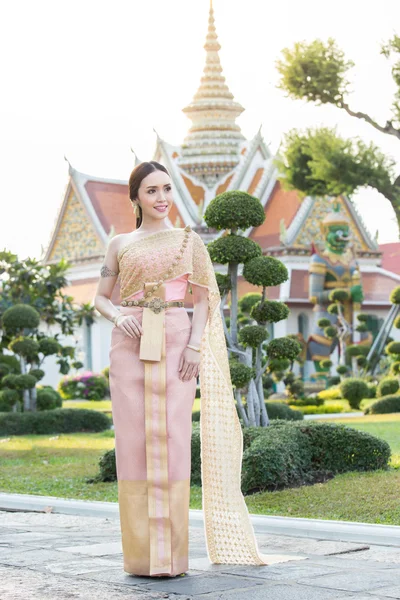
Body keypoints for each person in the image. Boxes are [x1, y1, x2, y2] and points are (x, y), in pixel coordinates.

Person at [94, 161, 303, 577]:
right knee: (132, 445)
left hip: (175, 338)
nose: (162, 199)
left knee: (172, 441)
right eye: (152, 191)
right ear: (135, 196)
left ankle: (171, 559)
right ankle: (140, 558)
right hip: (129, 340)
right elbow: (100, 298)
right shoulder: (118, 244)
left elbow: (206, 298)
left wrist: (193, 347)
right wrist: (119, 318)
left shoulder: (189, 242)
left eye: (167, 189)